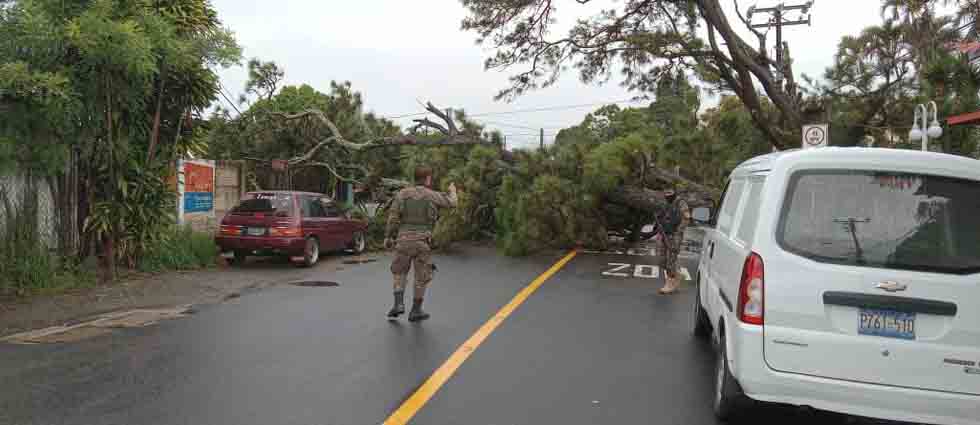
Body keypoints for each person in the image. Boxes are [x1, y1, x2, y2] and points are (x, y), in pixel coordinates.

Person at [384, 166, 458, 321]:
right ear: (427, 178)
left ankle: (398, 304)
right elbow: (452, 203)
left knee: (399, 272)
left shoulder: (402, 194)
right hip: (422, 243)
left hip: (403, 241)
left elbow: (392, 219)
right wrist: (452, 190)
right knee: (421, 277)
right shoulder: (432, 195)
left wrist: (389, 237)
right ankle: (416, 310)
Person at [658, 187, 690, 295]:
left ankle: (670, 283)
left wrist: (678, 231)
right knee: (662, 260)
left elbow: (686, 218)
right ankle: (676, 275)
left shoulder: (681, 203)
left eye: (669, 193)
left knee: (671, 261)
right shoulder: (666, 204)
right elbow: (661, 217)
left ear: (674, 193)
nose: (667, 195)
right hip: (664, 234)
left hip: (675, 235)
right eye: (665, 193)